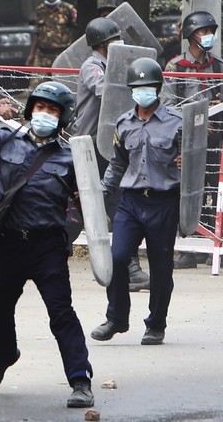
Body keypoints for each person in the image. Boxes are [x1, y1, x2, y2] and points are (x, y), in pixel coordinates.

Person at [0, 81, 94, 409]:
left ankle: (80, 379)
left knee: (61, 312)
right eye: (40, 107)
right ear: (30, 110)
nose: (45, 114)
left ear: (63, 118)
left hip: (46, 246)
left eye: (53, 110)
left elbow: (91, 201)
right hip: (4, 244)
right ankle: (0, 360)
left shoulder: (72, 157)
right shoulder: (3, 140)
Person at [91, 58, 182, 346]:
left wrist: (183, 165)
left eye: (148, 87)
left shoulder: (177, 124)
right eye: (137, 87)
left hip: (163, 202)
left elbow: (192, 162)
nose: (142, 92)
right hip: (130, 201)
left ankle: (156, 325)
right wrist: (102, 194)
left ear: (158, 88)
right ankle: (117, 318)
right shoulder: (123, 123)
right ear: (131, 90)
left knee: (160, 266)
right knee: (117, 258)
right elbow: (117, 165)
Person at [72, 17, 150, 291]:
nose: (120, 43)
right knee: (100, 205)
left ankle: (127, 269)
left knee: (111, 204)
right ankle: (128, 268)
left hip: (110, 144)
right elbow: (107, 91)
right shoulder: (92, 67)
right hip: (94, 146)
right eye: (115, 40)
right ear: (104, 45)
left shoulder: (113, 65)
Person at [161, 10, 220, 269]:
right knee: (185, 190)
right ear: (190, 36)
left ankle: (209, 242)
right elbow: (167, 105)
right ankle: (186, 244)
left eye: (210, 32)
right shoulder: (176, 67)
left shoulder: (218, 66)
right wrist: (194, 120)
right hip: (186, 142)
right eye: (203, 32)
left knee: (211, 191)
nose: (208, 36)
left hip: (216, 141)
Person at [25, 0, 77, 69]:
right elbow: (36, 33)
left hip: (62, 55)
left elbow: (77, 29)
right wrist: (31, 54)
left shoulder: (68, 9)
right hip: (43, 56)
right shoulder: (40, 10)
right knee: (36, 82)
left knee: (63, 81)